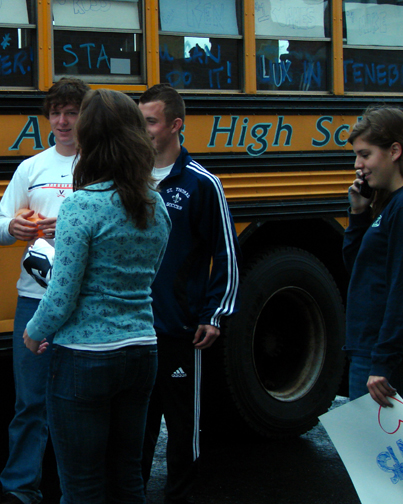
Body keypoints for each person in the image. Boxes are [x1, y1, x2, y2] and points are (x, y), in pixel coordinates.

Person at [23, 88, 171, 504]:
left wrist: (35, 331)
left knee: (82, 484)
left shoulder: (80, 206)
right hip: (142, 349)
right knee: (128, 477)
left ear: (86, 140)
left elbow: (64, 291)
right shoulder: (154, 203)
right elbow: (149, 275)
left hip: (85, 356)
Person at [138, 84, 240, 504]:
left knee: (183, 429)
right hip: (135, 329)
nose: (142, 130)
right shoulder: (131, 180)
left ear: (175, 125)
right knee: (136, 428)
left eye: (151, 121)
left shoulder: (201, 183)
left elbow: (226, 254)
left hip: (181, 330)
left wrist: (214, 315)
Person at [0, 77, 89, 504]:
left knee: (82, 402)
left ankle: (79, 486)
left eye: (71, 112)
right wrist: (13, 226)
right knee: (30, 400)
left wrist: (64, 228)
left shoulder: (99, 166)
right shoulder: (32, 167)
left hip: (85, 301)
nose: (63, 121)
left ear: (87, 115)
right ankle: (20, 487)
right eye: (56, 112)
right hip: (34, 298)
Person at [344, 105, 403, 408]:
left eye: (365, 154)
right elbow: (360, 271)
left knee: (376, 453)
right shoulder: (395, 205)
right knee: (375, 454)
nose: (358, 165)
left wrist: (383, 363)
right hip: (371, 350)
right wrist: (358, 215)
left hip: (382, 359)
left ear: (395, 151)